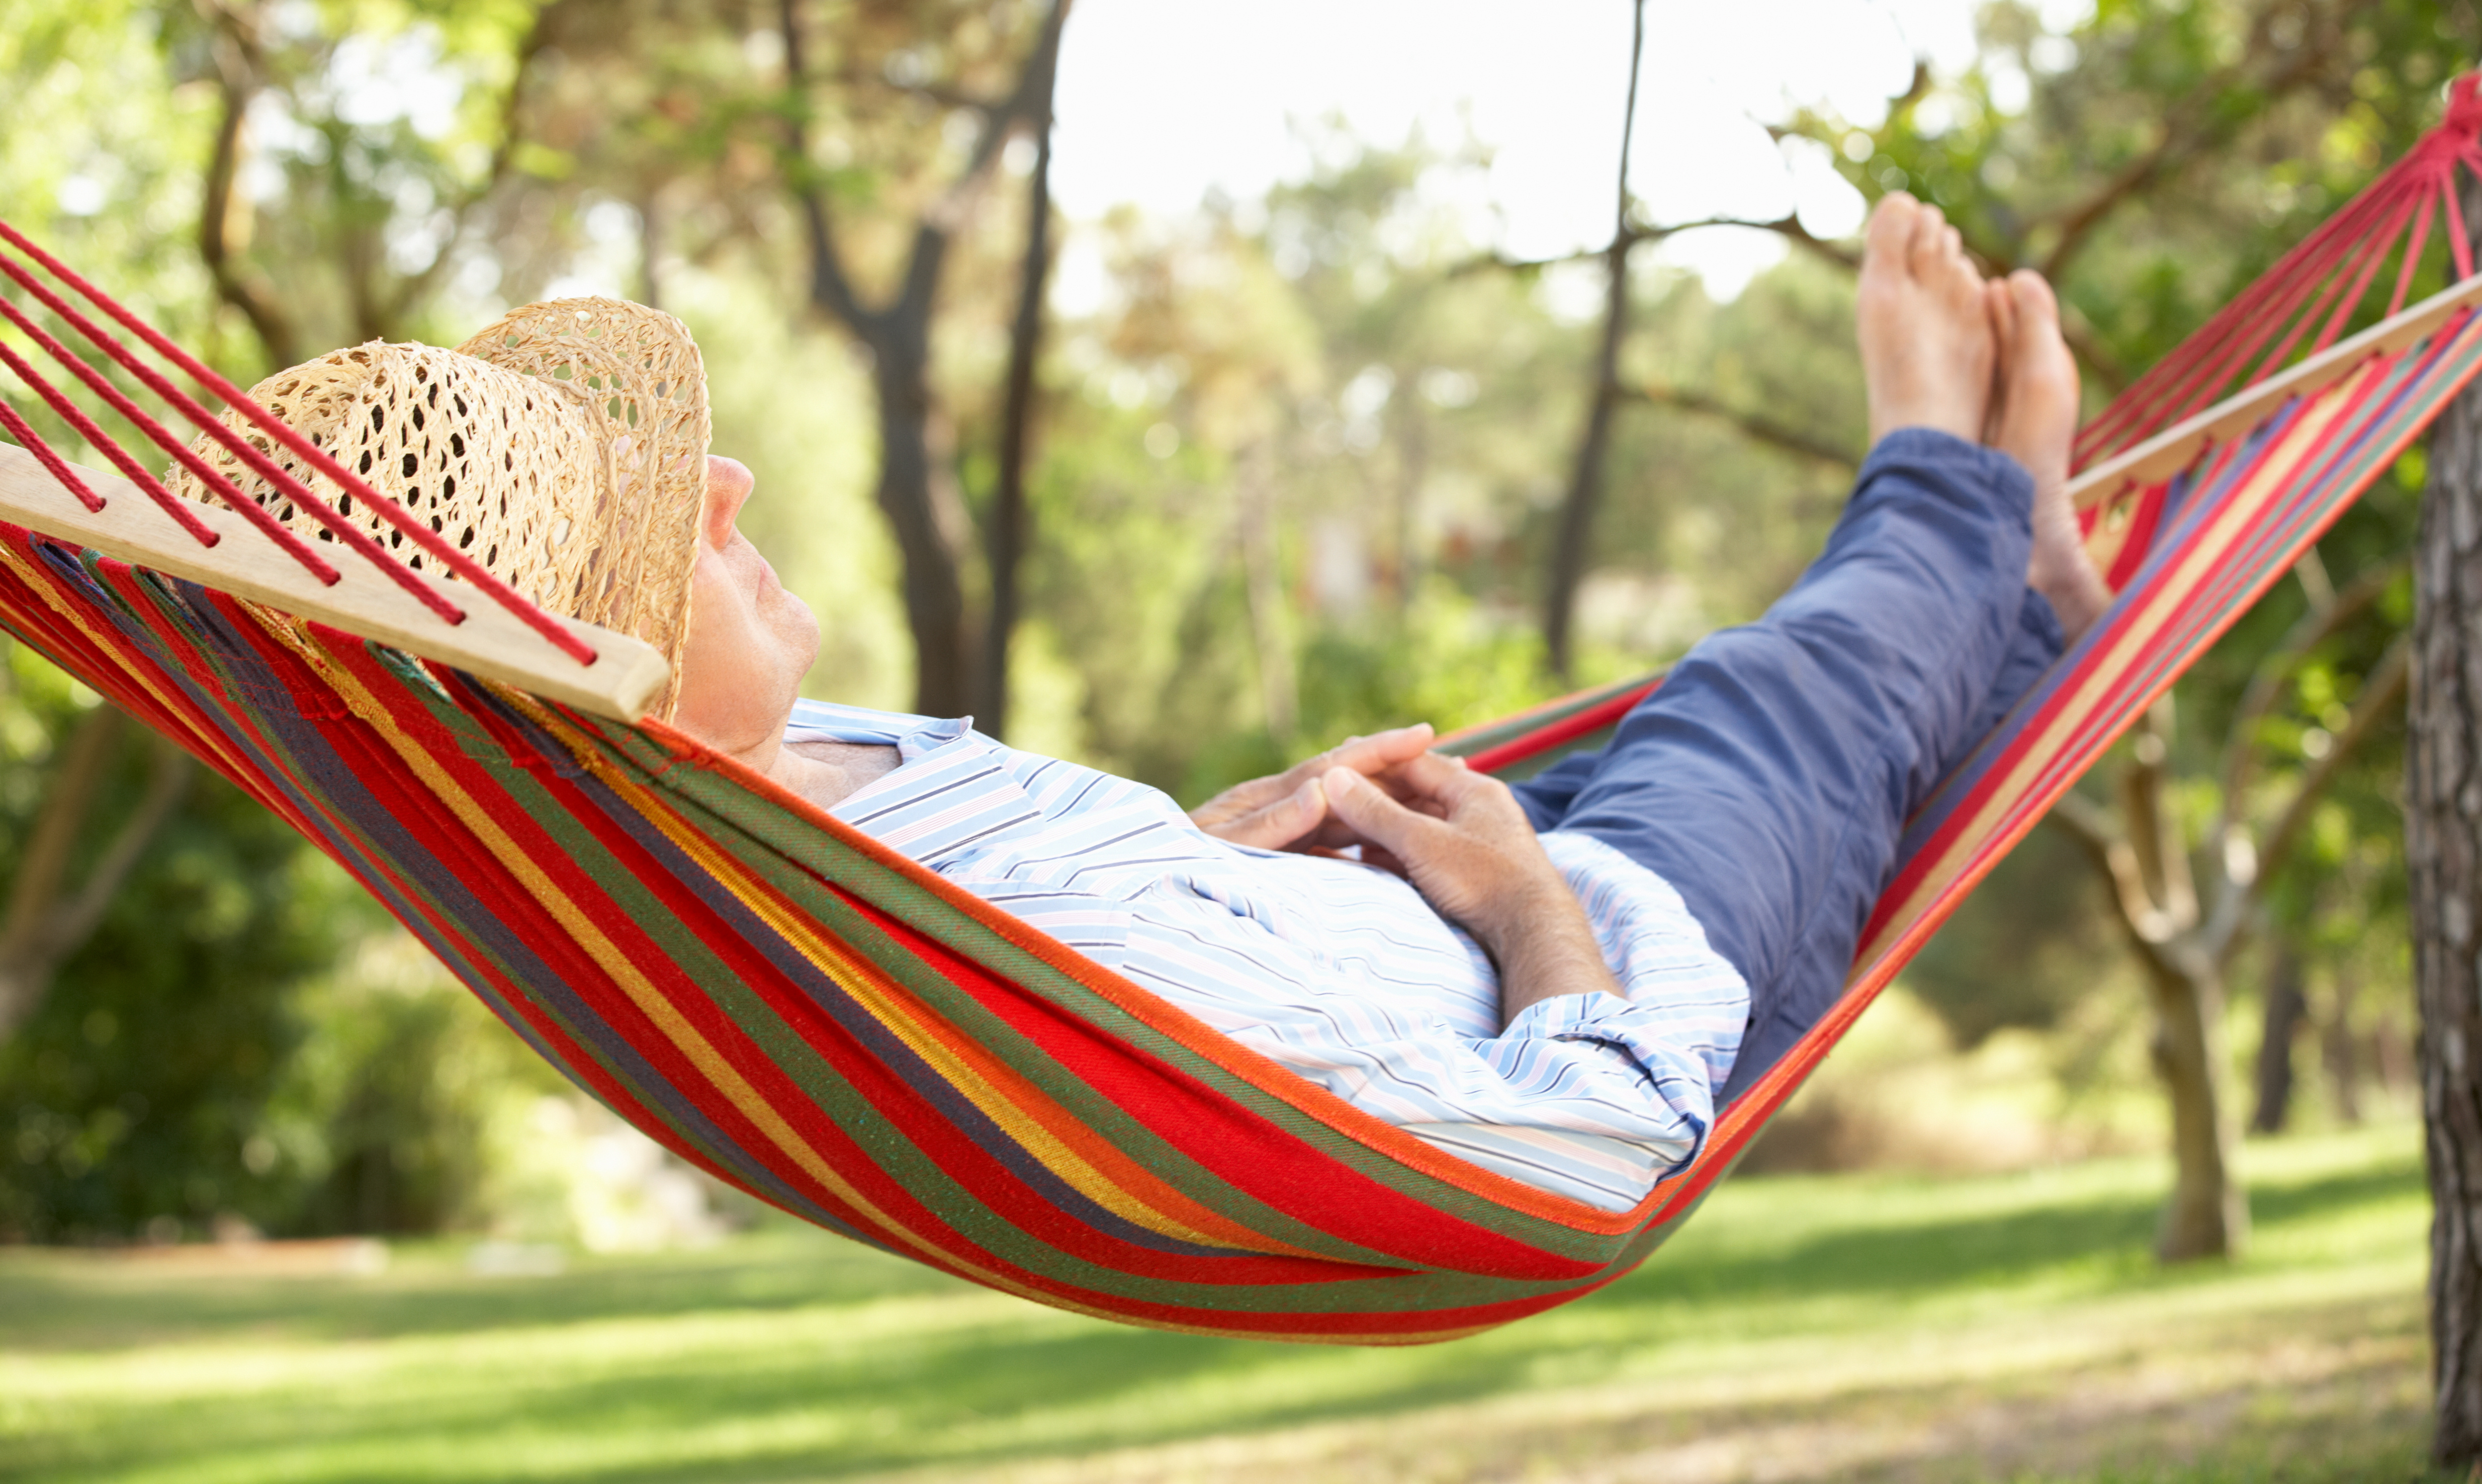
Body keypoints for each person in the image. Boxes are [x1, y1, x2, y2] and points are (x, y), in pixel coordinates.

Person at [182, 194, 2110, 1213]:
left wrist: (1211, 843)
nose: (731, 485)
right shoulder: (839, 927)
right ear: (590, 671)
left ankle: (2028, 602)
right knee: (1777, 706)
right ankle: (1952, 480)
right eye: (650, 516)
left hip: (1421, 897)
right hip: (1616, 976)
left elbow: (1103, 959)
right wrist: (1531, 899)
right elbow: (1574, 1156)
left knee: (1755, 706)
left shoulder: (823, 820)